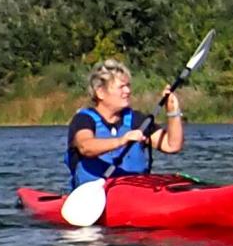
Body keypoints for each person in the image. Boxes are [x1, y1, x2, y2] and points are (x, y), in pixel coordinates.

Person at [66, 58, 185, 188]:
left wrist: (173, 112)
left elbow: (172, 145)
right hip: (93, 196)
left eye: (128, 86)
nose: (128, 91)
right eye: (121, 87)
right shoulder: (83, 120)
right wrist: (121, 141)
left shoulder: (137, 120)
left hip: (135, 193)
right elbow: (86, 147)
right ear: (100, 92)